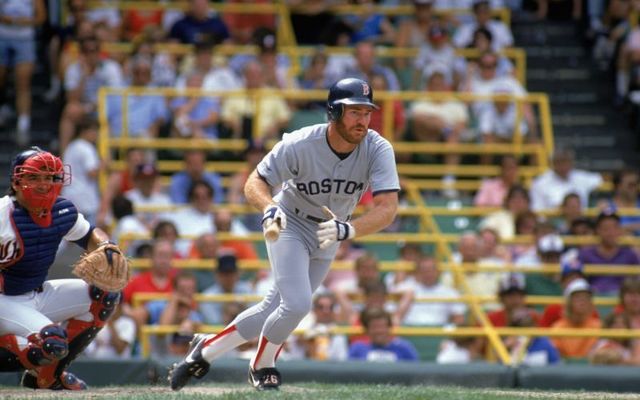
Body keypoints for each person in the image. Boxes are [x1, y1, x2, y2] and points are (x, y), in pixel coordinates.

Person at [169, 77, 399, 391]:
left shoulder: (377, 147)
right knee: (297, 304)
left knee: (272, 308)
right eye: (354, 112)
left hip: (331, 231)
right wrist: (267, 207)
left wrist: (351, 229)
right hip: (290, 220)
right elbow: (256, 182)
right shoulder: (301, 142)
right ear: (333, 112)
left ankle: (205, 350)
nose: (362, 120)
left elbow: (388, 208)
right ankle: (261, 365)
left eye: (366, 112)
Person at [0, 147, 125, 390]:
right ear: (16, 182)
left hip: (35, 293)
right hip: (4, 300)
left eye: (49, 177)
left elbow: (89, 234)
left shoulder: (62, 210)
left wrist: (107, 246)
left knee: (104, 296)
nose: (44, 184)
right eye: (34, 177)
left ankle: (47, 377)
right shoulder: (3, 215)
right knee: (52, 342)